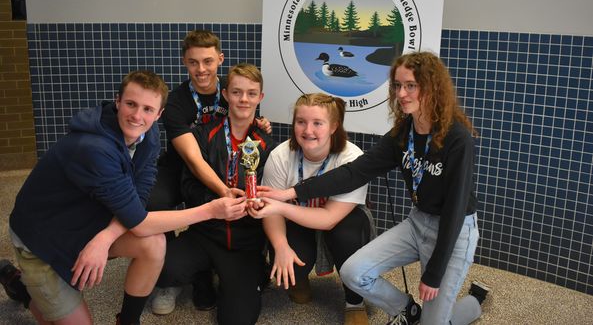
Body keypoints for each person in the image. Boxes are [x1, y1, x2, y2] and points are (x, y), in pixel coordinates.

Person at [258, 52, 490, 325]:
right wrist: (292, 192)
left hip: (454, 231)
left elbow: (455, 208)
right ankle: (407, 310)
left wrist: (434, 273)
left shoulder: (457, 138)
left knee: (435, 322)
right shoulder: (405, 132)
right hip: (418, 224)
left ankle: (474, 301)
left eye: (410, 85)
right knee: (353, 273)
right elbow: (354, 173)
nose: (401, 93)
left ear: (431, 86)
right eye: (397, 85)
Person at [8, 70, 247, 325]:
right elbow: (139, 221)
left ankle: (128, 321)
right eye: (131, 104)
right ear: (117, 101)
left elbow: (140, 194)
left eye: (147, 109)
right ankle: (19, 285)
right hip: (42, 240)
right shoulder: (94, 149)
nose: (137, 116)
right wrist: (211, 210)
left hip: (87, 222)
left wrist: (106, 236)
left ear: (158, 115)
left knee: (154, 243)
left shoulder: (148, 134)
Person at [147, 29, 271, 314]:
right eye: (193, 62)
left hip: (223, 164)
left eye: (207, 61)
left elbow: (246, 114)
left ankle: (244, 264)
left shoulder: (232, 89)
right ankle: (187, 273)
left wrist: (260, 125)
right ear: (184, 62)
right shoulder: (177, 101)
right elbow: (193, 160)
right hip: (185, 164)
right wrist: (222, 192)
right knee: (154, 202)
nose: (201, 69)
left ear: (219, 59)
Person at [249, 93, 374, 325]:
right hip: (299, 220)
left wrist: (279, 206)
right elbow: (271, 212)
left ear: (334, 126)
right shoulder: (280, 156)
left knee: (348, 233)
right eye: (301, 122)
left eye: (318, 123)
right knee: (288, 267)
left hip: (340, 222)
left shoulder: (351, 157)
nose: (308, 130)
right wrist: (281, 246)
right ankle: (300, 278)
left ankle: (355, 300)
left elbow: (329, 218)